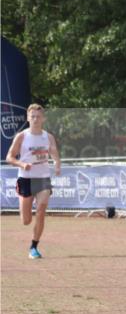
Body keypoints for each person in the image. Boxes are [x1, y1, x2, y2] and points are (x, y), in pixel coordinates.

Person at [5, 103, 61, 259]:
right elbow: (9, 157)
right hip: (25, 179)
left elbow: (55, 153)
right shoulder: (22, 136)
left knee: (41, 210)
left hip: (43, 178)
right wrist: (22, 164)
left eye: (38, 116)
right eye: (33, 116)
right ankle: (24, 209)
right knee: (26, 220)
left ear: (43, 118)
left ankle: (34, 247)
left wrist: (57, 164)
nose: (36, 119)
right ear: (28, 118)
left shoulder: (48, 137)